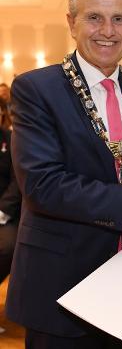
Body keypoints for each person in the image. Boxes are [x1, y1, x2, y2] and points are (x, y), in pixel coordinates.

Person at [5, 0, 122, 349]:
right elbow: (43, 187)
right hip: (60, 288)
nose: (108, 30)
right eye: (94, 17)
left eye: (119, 19)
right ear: (71, 22)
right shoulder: (36, 89)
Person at [0, 97, 21, 334]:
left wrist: (2, 210)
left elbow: (18, 183)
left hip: (4, 213)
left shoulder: (9, 139)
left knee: (8, 246)